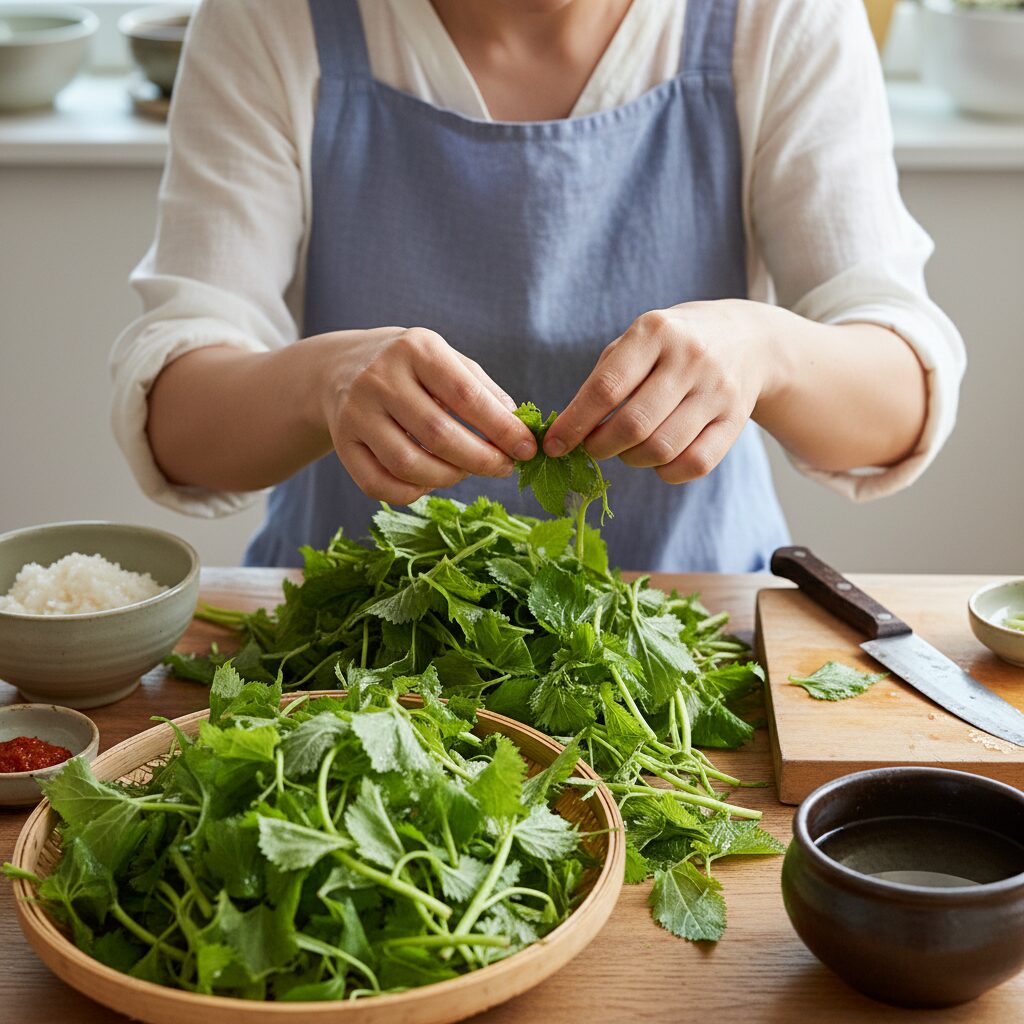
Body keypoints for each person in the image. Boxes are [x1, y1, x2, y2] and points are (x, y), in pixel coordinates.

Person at [111, 0, 965, 572]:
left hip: (687, 648)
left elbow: (897, 400)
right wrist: (321, 383)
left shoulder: (779, 17)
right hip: (348, 649)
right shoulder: (273, 19)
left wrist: (765, 348)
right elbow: (179, 419)